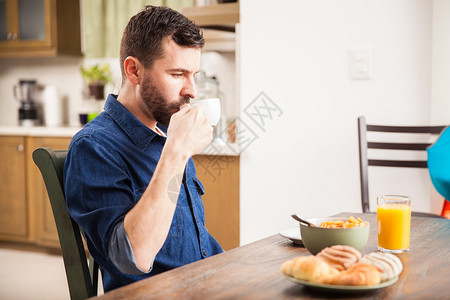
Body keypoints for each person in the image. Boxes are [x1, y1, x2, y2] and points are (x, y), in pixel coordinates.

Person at [64, 6, 223, 292]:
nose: (192, 90)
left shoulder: (168, 132)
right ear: (134, 70)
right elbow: (131, 259)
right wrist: (177, 151)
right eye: (178, 74)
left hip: (206, 285)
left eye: (194, 75)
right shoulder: (94, 147)